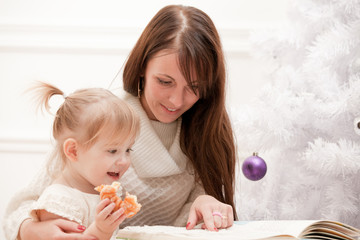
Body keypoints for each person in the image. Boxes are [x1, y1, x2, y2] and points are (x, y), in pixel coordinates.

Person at [3, 4, 237, 239]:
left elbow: (191, 227)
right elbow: (19, 211)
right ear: (143, 66)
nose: (176, 100)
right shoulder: (101, 120)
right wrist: (28, 228)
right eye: (165, 81)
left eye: (194, 88)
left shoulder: (207, 134)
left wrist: (206, 202)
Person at [3, 82, 140, 240]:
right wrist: (101, 230)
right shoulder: (59, 202)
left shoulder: (102, 191)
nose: (124, 161)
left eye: (128, 150)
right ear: (73, 151)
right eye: (112, 151)